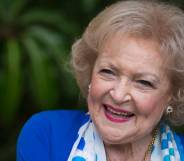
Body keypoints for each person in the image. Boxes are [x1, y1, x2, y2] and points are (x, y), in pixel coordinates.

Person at [17, 0, 184, 161]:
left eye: (144, 82)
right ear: (91, 72)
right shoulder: (47, 135)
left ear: (174, 94)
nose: (118, 95)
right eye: (108, 72)